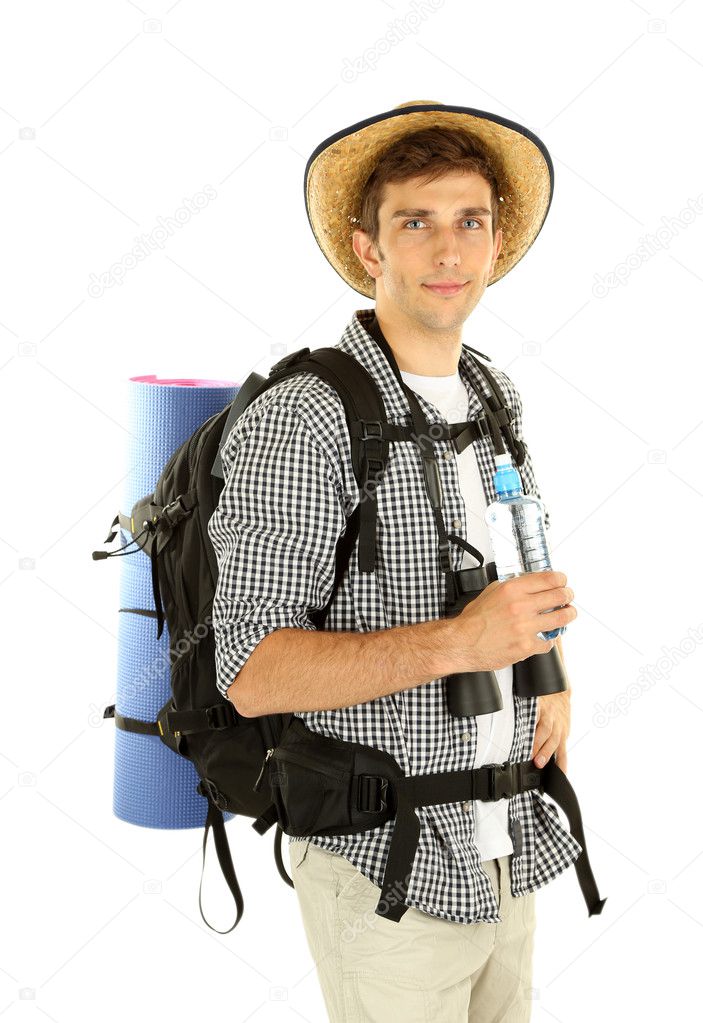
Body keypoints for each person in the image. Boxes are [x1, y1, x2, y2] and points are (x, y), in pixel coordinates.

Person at [208, 100, 579, 1022]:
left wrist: (552, 677)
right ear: (367, 247)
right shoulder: (305, 416)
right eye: (415, 221)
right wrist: (458, 642)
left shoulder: (492, 392)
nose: (447, 250)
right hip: (387, 865)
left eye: (470, 221)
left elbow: (515, 565)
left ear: (495, 242)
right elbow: (249, 675)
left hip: (505, 845)